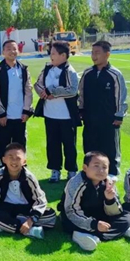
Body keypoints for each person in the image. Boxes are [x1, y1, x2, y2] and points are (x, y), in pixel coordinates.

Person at [59, 151, 130, 252]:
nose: (101, 170)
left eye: (104, 167)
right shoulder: (76, 183)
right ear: (85, 168)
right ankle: (83, 234)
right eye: (96, 166)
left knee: (126, 218)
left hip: (98, 214)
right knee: (67, 223)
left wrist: (109, 199)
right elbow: (71, 211)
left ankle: (88, 235)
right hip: (76, 216)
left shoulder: (108, 182)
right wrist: (93, 224)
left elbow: (117, 212)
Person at [0, 143, 56, 239]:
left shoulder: (29, 177)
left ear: (24, 161)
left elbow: (40, 199)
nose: (14, 161)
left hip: (26, 209)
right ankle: (27, 230)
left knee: (51, 215)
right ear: (4, 160)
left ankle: (6, 225)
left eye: (18, 158)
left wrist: (31, 220)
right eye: (10, 157)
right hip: (6, 208)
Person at [33, 40, 81, 183]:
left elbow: (73, 90)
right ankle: (55, 170)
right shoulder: (47, 69)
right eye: (51, 53)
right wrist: (43, 93)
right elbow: (37, 84)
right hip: (50, 115)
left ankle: (71, 171)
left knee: (69, 145)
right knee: (52, 144)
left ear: (63, 55)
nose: (51, 56)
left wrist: (53, 91)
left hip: (66, 116)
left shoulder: (70, 71)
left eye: (53, 53)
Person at [79, 41, 128, 180]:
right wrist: (81, 109)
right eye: (92, 53)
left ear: (107, 54)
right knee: (89, 145)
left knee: (110, 146)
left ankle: (112, 173)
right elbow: (81, 93)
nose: (93, 56)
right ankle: (89, 172)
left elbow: (120, 96)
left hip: (108, 119)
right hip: (90, 118)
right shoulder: (87, 73)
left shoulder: (115, 74)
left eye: (97, 53)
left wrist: (119, 115)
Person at [0, 40, 34, 166]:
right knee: (2, 145)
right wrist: (1, 113)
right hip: (4, 118)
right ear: (3, 52)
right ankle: (3, 168)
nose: (12, 51)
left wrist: (26, 111)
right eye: (8, 49)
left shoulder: (23, 69)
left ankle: (21, 168)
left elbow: (28, 90)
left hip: (20, 117)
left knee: (20, 145)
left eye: (14, 49)